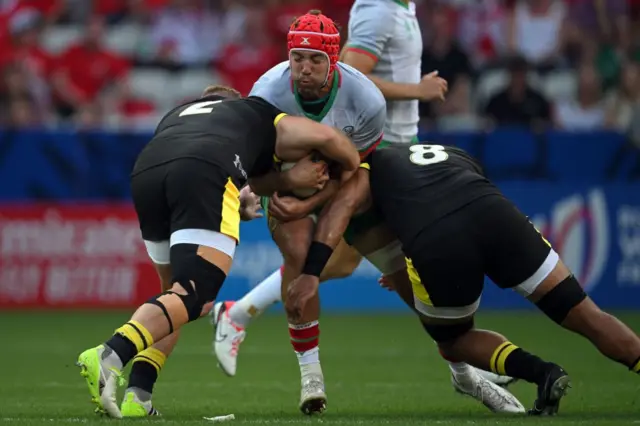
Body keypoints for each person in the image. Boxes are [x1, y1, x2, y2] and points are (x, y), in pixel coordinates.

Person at [213, 9, 521, 416]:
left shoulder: (366, 99)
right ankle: (310, 373)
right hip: (289, 180)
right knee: (304, 261)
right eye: (297, 58)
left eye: (315, 60)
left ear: (333, 60)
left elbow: (354, 177)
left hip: (348, 182)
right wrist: (288, 186)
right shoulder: (267, 93)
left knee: (415, 290)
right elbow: (258, 170)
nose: (303, 69)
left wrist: (308, 198)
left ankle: (464, 374)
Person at [286, 143, 640, 415]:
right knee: (588, 315)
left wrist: (311, 272)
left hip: (440, 239)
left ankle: (543, 372)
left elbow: (344, 209)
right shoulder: (440, 151)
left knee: (454, 340)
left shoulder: (362, 176)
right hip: (495, 212)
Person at [75, 84, 361, 419]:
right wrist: (353, 166)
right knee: (194, 296)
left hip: (148, 172)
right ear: (235, 103)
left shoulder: (178, 115)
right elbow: (327, 139)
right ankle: (111, 354)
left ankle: (138, 397)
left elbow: (201, 162)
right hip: (205, 171)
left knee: (174, 298)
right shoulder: (253, 111)